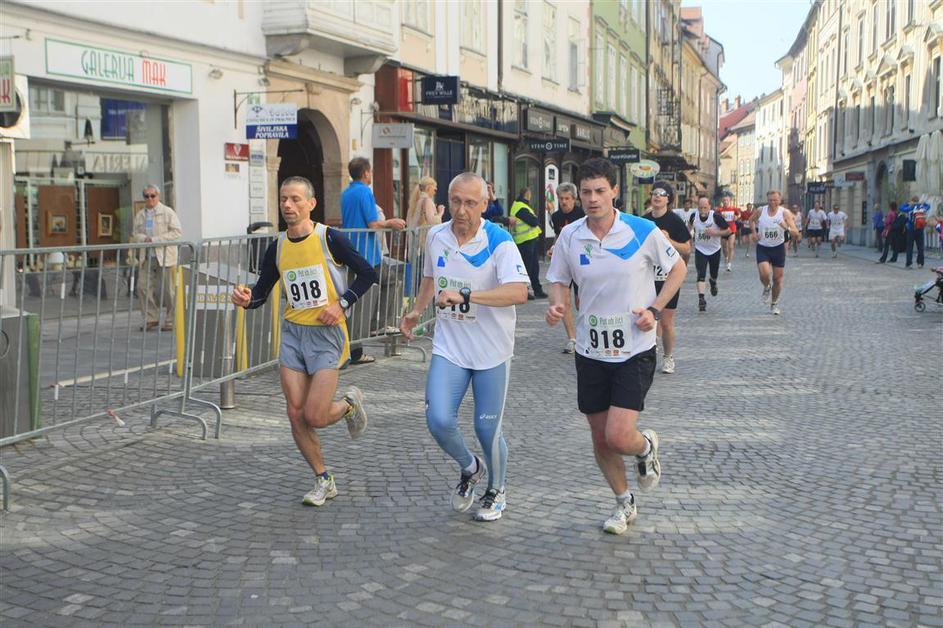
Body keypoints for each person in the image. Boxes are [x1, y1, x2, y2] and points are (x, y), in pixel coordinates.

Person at [545, 157, 686, 535]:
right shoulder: (570, 236)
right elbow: (558, 279)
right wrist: (557, 304)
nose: (592, 199)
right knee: (599, 437)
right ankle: (624, 502)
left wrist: (655, 310)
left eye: (599, 191)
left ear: (614, 192)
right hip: (590, 350)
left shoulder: (642, 230)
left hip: (634, 349)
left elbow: (678, 269)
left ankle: (644, 447)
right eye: (586, 192)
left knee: (618, 435)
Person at [230, 177, 376, 506]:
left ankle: (349, 405)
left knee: (315, 415)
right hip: (294, 334)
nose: (288, 205)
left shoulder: (330, 239)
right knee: (295, 413)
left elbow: (368, 273)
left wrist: (341, 304)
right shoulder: (278, 246)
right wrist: (246, 299)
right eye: (284, 198)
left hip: (327, 334)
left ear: (311, 204)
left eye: (295, 199)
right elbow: (261, 292)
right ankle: (323, 479)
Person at [400, 172, 530, 522]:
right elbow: (431, 278)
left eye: (470, 203)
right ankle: (470, 467)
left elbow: (519, 292)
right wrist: (416, 311)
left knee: (487, 429)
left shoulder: (499, 241)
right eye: (455, 201)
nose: (461, 210)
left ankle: (496, 489)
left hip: (491, 350)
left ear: (485, 204)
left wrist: (467, 295)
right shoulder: (436, 236)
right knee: (438, 419)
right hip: (450, 347)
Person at [341, 157, 407, 364]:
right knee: (392, 281)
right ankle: (380, 325)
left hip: (350, 252)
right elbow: (373, 223)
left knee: (355, 301)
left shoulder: (346, 193)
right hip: (367, 255)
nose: (371, 175)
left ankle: (354, 350)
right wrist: (391, 222)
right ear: (366, 173)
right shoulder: (365, 192)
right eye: (370, 172)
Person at [641, 181, 691, 374]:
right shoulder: (644, 221)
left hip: (668, 277)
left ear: (668, 199)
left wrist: (668, 240)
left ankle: (668, 357)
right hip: (647, 277)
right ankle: (647, 351)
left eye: (662, 194)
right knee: (647, 317)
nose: (657, 196)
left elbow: (686, 248)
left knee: (666, 321)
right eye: (654, 193)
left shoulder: (674, 221)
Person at [131, 185, 182, 332]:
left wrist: (156, 239)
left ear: (158, 196)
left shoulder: (167, 212)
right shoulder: (140, 215)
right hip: (147, 256)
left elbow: (177, 232)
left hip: (165, 256)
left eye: (152, 195)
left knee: (169, 290)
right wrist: (144, 239)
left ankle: (171, 320)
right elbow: (135, 234)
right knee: (142, 286)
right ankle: (151, 318)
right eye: (146, 196)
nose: (150, 199)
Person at [749, 190, 800, 316]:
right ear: (767, 200)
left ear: (780, 200)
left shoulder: (785, 213)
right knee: (764, 274)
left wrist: (786, 227)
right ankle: (767, 287)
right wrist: (754, 233)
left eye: (775, 200)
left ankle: (774, 303)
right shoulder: (761, 210)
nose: (772, 202)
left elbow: (796, 234)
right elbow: (751, 220)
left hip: (778, 248)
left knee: (777, 279)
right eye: (770, 200)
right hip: (763, 247)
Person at [549, 182, 585, 354]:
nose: (564, 202)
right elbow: (559, 236)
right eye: (561, 198)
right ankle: (572, 339)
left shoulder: (582, 214)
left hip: (582, 260)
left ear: (574, 199)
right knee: (564, 300)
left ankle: (586, 334)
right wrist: (554, 247)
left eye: (567, 199)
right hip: (565, 262)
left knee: (580, 302)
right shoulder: (556, 216)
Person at [690, 196, 730, 312]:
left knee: (713, 274)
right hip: (700, 249)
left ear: (709, 207)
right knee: (701, 274)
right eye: (700, 208)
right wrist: (688, 238)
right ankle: (701, 299)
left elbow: (728, 231)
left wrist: (715, 233)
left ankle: (713, 282)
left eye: (705, 208)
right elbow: (689, 228)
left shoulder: (716, 217)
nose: (702, 210)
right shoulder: (694, 216)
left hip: (714, 250)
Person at [509, 187, 546, 299]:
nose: (530, 196)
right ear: (527, 194)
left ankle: (537, 290)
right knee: (527, 268)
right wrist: (535, 219)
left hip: (530, 239)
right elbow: (533, 221)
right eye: (530, 194)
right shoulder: (520, 207)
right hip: (525, 241)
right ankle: (524, 291)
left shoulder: (522, 205)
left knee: (534, 267)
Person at [901, 196, 928, 269]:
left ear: (912, 201)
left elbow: (901, 208)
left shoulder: (910, 208)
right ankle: (920, 263)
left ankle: (909, 264)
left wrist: (908, 203)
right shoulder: (922, 208)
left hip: (911, 229)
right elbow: (928, 206)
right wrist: (923, 203)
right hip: (920, 229)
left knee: (909, 247)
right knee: (920, 247)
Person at [717, 197, 740, 271]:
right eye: (724, 200)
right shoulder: (719, 210)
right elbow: (715, 217)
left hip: (731, 230)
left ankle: (729, 264)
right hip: (723, 230)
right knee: (724, 248)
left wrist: (736, 217)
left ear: (729, 201)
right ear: (722, 201)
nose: (725, 201)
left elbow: (739, 215)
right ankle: (726, 257)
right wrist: (720, 217)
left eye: (727, 200)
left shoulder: (733, 209)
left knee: (731, 247)